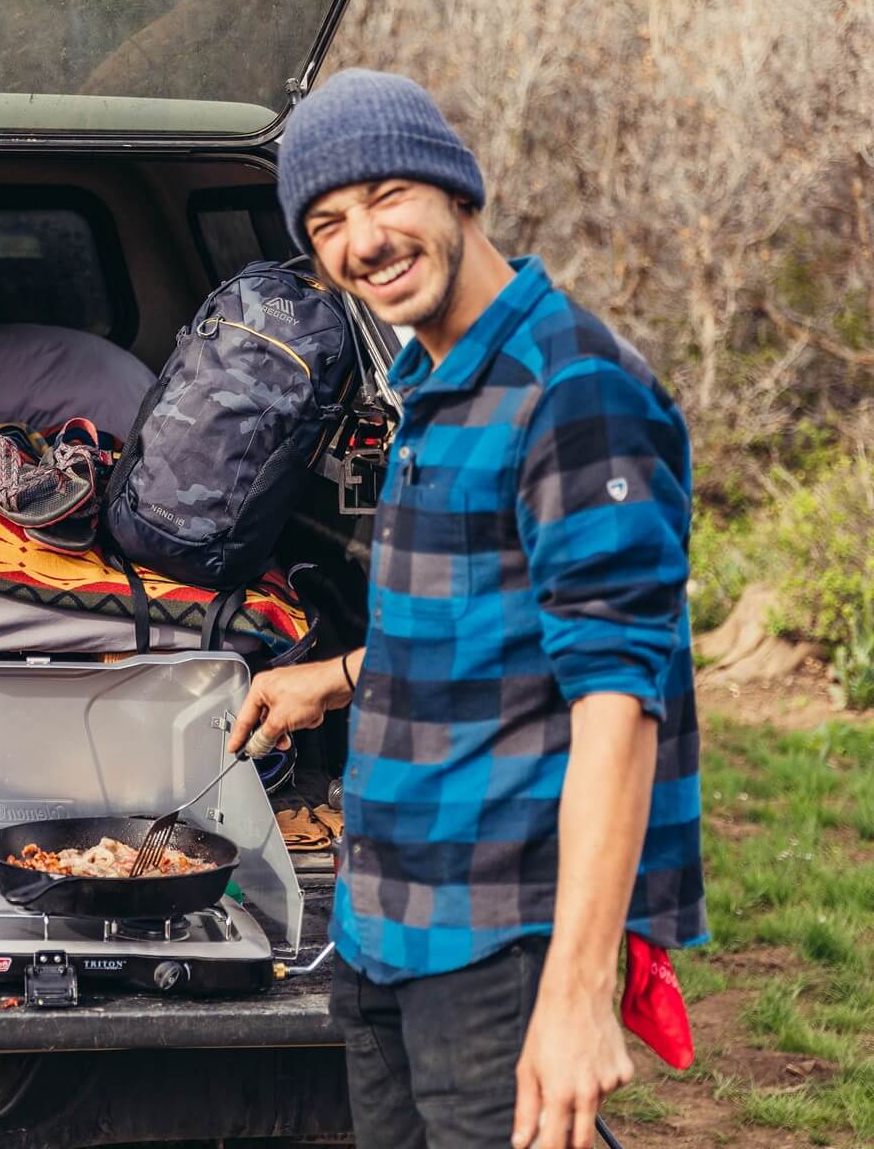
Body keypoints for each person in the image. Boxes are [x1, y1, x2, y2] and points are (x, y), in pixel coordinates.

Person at [231, 70, 706, 1149]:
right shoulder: (434, 383)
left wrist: (578, 994)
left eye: (386, 193)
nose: (364, 238)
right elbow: (483, 619)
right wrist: (336, 676)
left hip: (501, 932)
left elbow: (621, 705)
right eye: (328, 222)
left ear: (458, 191)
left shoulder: (571, 388)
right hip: (385, 921)